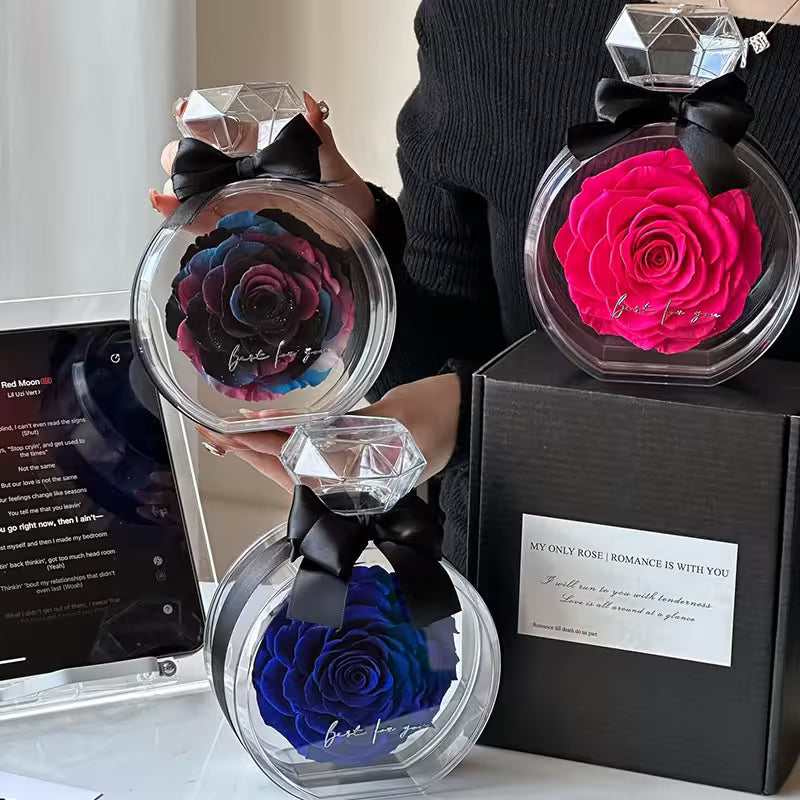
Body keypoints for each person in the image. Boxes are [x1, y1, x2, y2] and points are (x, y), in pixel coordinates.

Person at [151, 0, 800, 573]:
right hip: (525, 601)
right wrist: (344, 236)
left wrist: (475, 410)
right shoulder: (488, 16)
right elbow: (450, 345)